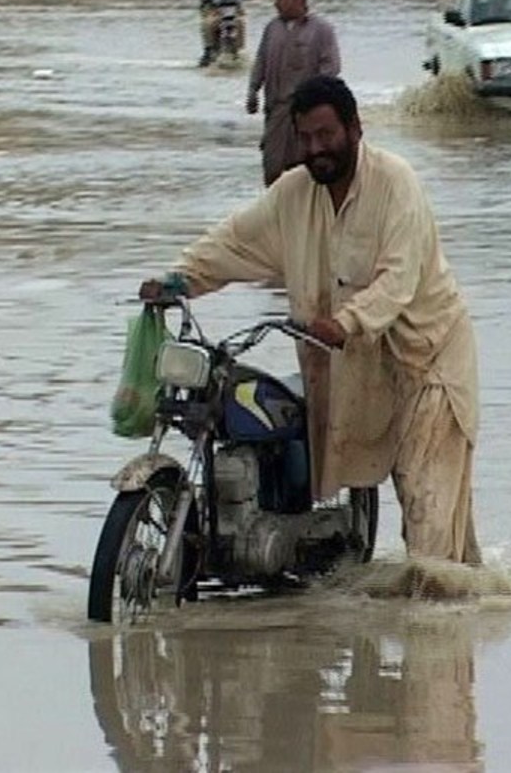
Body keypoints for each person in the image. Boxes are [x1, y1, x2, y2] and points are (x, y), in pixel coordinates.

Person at [141, 76, 482, 565]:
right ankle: (467, 607)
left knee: (428, 513)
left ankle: (439, 621)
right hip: (352, 365)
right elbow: (235, 241)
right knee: (441, 530)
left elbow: (397, 279)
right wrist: (179, 279)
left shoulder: (395, 183)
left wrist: (345, 321)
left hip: (427, 363)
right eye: (306, 138)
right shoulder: (293, 194)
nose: (316, 149)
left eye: (327, 136)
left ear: (355, 129)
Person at [245, 0, 340, 186]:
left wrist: (316, 100)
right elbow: (260, 61)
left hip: (306, 115)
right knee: (273, 169)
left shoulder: (321, 29)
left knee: (304, 172)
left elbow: (331, 68)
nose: (277, 3)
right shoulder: (272, 28)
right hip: (276, 112)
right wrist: (253, 90)